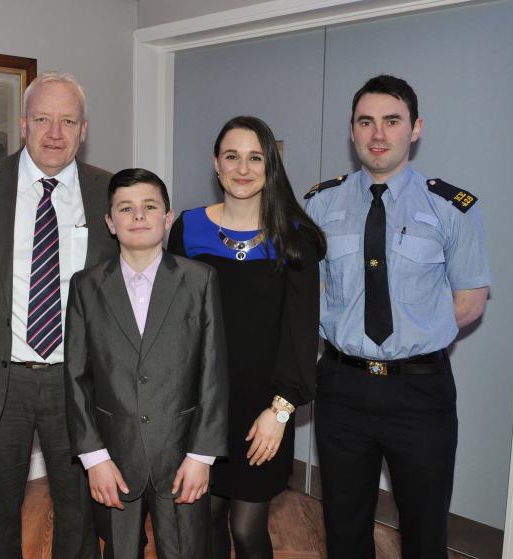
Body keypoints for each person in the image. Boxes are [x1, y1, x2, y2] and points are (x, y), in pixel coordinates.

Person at [304, 75, 491, 558]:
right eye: (366, 122)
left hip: (420, 392)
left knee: (426, 531)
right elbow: (310, 290)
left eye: (392, 121)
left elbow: (469, 300)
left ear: (415, 128)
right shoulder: (320, 204)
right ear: (352, 131)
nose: (378, 134)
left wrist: (416, 332)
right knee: (344, 528)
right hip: (342, 388)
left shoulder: (452, 207)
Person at [0, 72, 117, 558]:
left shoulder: (108, 192)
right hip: (0, 379)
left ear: (83, 129)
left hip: (78, 385)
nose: (54, 133)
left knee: (79, 514)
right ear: (22, 124)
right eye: (42, 119)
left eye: (67, 121)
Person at [168, 116, 324, 558]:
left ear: (270, 166)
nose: (242, 168)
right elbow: (177, 323)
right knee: (207, 521)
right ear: (216, 164)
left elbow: (300, 333)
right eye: (232, 157)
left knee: (247, 527)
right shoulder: (188, 228)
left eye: (255, 157)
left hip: (264, 409)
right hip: (201, 403)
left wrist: (280, 411)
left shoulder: (296, 239)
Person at [65, 168, 228, 558]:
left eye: (149, 206)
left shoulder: (200, 280)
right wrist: (94, 458)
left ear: (167, 218)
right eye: (126, 208)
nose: (138, 216)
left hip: (182, 456)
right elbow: (76, 376)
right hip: (114, 459)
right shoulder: (85, 287)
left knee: (186, 550)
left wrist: (201, 455)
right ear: (110, 222)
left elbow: (214, 373)